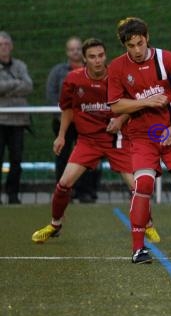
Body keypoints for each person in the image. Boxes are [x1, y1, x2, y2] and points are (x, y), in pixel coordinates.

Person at [32, 38, 160, 244]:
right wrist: (62, 135)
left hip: (116, 140)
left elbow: (136, 104)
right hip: (88, 141)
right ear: (84, 58)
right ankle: (55, 224)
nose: (97, 60)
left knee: (138, 187)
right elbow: (67, 108)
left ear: (105, 55)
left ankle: (148, 224)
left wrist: (119, 119)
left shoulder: (118, 77)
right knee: (64, 184)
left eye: (101, 55)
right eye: (92, 56)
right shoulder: (73, 80)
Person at [107, 17, 171, 264]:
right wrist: (146, 102)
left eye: (140, 43)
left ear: (147, 37)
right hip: (142, 136)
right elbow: (115, 105)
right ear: (124, 46)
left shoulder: (167, 59)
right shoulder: (118, 67)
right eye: (131, 46)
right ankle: (138, 248)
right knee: (143, 186)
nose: (137, 50)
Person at [46, 36, 100, 203]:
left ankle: (86, 191)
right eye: (72, 49)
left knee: (88, 157)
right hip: (65, 122)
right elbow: (51, 95)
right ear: (67, 51)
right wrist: (62, 116)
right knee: (63, 156)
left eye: (78, 48)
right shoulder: (58, 72)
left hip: (88, 123)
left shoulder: (95, 70)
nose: (75, 51)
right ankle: (64, 192)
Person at [0, 31, 33, 204]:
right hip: (1, 121)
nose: (4, 47)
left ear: (11, 46)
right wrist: (15, 84)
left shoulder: (20, 65)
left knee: (16, 159)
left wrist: (6, 88)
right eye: (1, 44)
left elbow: (28, 86)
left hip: (18, 121)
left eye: (6, 44)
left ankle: (13, 194)